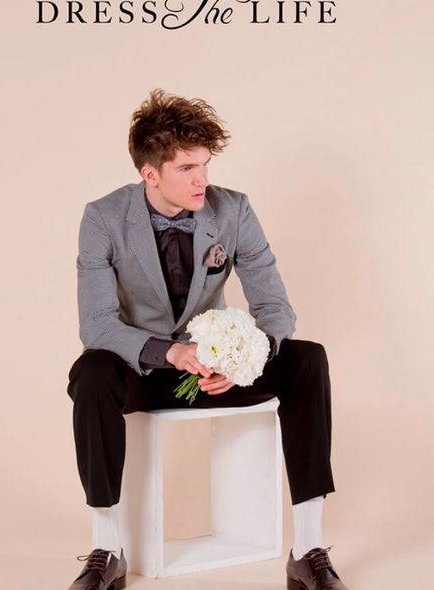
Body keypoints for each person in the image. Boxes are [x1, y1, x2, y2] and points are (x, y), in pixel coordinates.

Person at [66, 89, 349, 590]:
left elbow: (275, 308)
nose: (202, 180)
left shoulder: (233, 210)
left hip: (217, 375)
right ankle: (108, 550)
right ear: (150, 173)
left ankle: (307, 550)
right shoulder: (102, 218)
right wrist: (171, 352)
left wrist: (240, 363)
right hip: (143, 373)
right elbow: (98, 325)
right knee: (90, 372)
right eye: (186, 168)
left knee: (309, 359)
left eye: (205, 165)